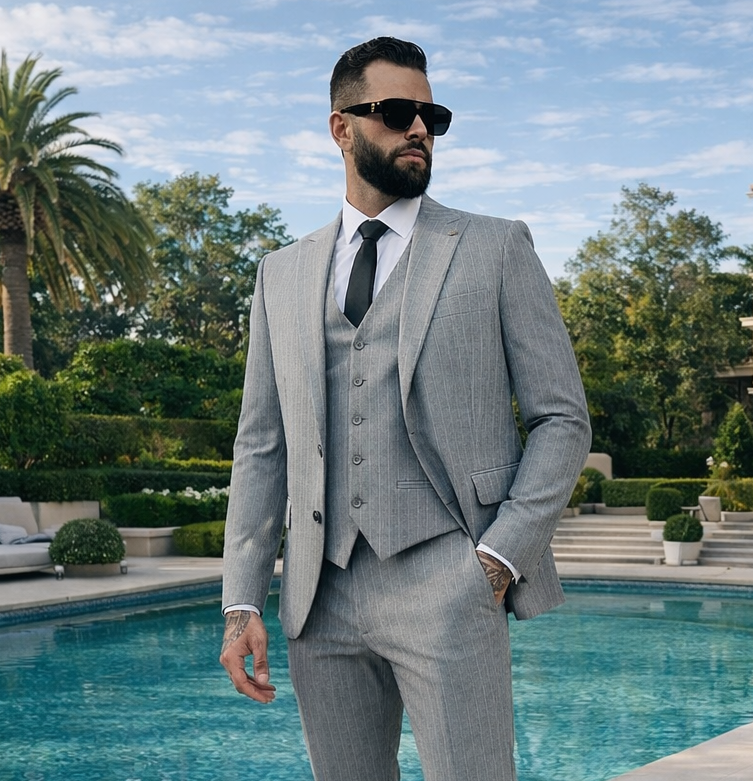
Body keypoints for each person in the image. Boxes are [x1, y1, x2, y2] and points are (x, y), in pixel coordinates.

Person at [217, 36, 590, 781]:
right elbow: (263, 445)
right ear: (342, 127)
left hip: (448, 580)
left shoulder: (495, 248)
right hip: (318, 597)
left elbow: (563, 419)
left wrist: (496, 557)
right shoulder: (280, 274)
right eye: (396, 112)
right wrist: (240, 603)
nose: (418, 128)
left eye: (431, 114)